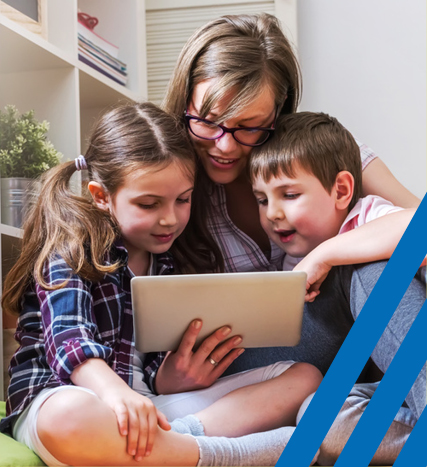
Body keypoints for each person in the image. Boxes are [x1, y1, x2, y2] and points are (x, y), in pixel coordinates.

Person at [0, 102, 322, 467]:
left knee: (303, 376)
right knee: (70, 415)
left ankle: (172, 445)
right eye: (149, 204)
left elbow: (149, 365)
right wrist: (118, 395)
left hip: (148, 409)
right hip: (65, 398)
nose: (169, 219)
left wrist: (168, 378)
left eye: (182, 200)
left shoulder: (168, 262)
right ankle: (224, 456)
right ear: (102, 196)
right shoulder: (72, 246)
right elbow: (69, 343)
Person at [160, 10, 421, 391]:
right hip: (253, 359)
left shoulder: (321, 157)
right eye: (208, 121)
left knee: (372, 267)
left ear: (278, 112)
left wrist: (328, 254)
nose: (225, 145)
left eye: (249, 126)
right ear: (185, 103)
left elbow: (418, 222)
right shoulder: (170, 185)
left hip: (362, 339)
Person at [248, 111, 425, 464]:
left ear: (341, 190)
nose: (273, 213)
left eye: (289, 194)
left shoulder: (370, 217)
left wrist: (326, 255)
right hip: (400, 395)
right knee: (320, 418)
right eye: (262, 200)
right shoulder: (289, 259)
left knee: (372, 268)